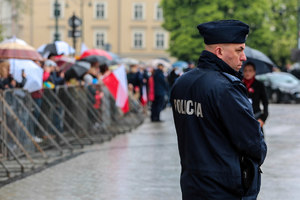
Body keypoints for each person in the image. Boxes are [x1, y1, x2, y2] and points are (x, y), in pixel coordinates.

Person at [170, 20, 267, 200]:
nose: (244, 57)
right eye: (239, 50)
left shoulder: (182, 83)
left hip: (192, 185)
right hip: (225, 188)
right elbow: (253, 143)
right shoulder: (226, 88)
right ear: (220, 52)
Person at [243, 62, 269, 134]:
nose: (247, 73)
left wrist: (263, 118)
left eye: (250, 70)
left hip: (256, 116)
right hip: (243, 118)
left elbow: (265, 102)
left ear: (254, 72)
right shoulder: (240, 84)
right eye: (245, 70)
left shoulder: (259, 85)